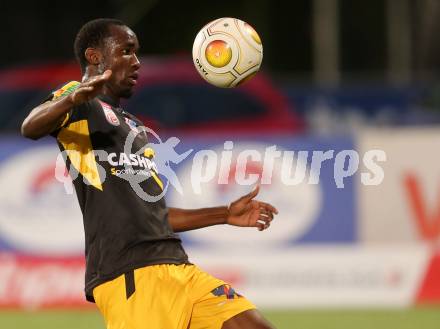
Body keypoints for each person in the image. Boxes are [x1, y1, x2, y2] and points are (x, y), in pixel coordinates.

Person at [21, 18, 278, 329]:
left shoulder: (132, 125)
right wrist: (74, 98)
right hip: (132, 273)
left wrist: (224, 213)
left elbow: (154, 216)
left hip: (178, 268)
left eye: (137, 53)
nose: (137, 62)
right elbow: (31, 126)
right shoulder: (79, 103)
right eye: (127, 51)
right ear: (94, 56)